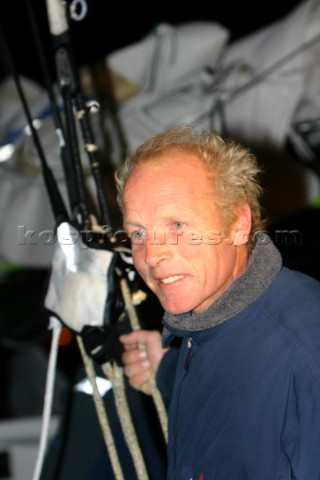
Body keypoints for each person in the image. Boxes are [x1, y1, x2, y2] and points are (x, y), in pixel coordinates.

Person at [115, 123, 320, 479]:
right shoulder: (204, 329)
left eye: (177, 224)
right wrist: (167, 368)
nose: (152, 255)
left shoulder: (306, 351)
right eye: (138, 233)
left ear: (238, 223)